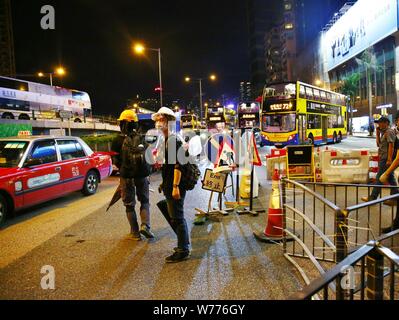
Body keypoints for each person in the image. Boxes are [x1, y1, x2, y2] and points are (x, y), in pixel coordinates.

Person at [153, 107, 191, 263]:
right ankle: (184, 243)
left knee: (178, 217)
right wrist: (164, 182)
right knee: (170, 211)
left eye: (161, 120)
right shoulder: (167, 139)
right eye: (157, 120)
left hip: (176, 185)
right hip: (170, 183)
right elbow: (168, 166)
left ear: (168, 121)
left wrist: (175, 186)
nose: (158, 123)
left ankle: (183, 249)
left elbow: (178, 165)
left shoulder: (173, 140)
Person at [111, 109, 154, 241]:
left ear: (122, 123)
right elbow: (149, 159)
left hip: (126, 177)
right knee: (145, 201)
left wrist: (124, 169)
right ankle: (145, 226)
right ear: (135, 123)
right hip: (142, 176)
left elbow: (115, 161)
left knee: (129, 205)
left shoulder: (117, 140)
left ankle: (135, 233)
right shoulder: (143, 137)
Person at [362, 116, 398, 205]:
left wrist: (389, 159)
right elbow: (378, 145)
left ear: (386, 123)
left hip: (386, 159)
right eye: (378, 123)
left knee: (379, 178)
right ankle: (395, 198)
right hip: (383, 158)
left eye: (381, 122)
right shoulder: (383, 132)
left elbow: (391, 146)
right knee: (390, 178)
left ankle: (373, 198)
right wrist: (377, 134)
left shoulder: (389, 132)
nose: (379, 124)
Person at [379, 112, 399, 232]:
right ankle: (396, 224)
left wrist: (387, 172)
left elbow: (398, 158)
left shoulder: (391, 133)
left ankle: (396, 225)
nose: (397, 123)